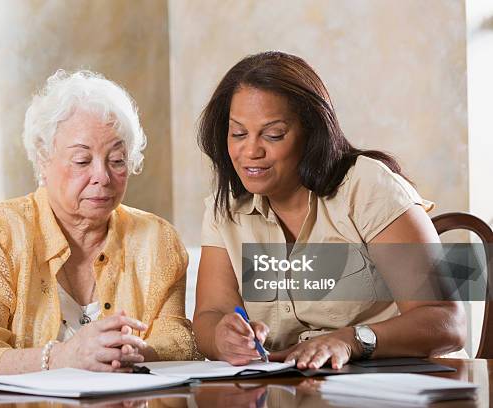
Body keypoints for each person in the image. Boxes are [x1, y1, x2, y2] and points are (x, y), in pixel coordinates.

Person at [193, 51, 466, 370]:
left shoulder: (367, 186)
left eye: (274, 134)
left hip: (406, 384)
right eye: (238, 133)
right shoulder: (223, 206)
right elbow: (210, 314)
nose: (251, 151)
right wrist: (222, 337)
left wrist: (352, 340)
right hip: (294, 386)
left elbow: (447, 321)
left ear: (310, 132)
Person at [0, 70, 200, 389]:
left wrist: (133, 351)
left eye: (116, 160)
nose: (102, 176)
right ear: (44, 160)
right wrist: (61, 357)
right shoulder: (0, 230)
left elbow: (180, 340)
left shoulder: (157, 239)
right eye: (82, 161)